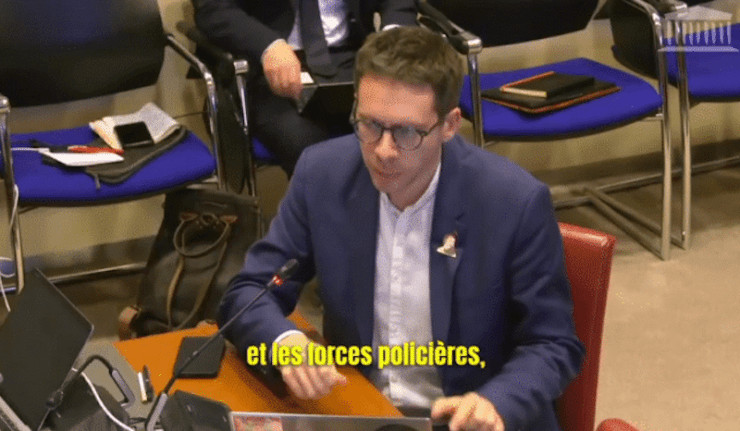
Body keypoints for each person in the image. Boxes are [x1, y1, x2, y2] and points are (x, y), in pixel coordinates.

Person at [219, 26, 584, 431]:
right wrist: (284, 343)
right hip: (362, 409)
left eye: (407, 132)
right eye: (369, 124)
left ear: (449, 125)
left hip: (466, 420)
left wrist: (495, 402)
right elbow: (248, 292)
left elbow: (553, 343)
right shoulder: (322, 174)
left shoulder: (513, 201)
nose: (383, 150)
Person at [193, 0, 417, 175]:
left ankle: (397, 217)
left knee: (408, 126)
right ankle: (330, 219)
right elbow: (213, 9)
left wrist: (394, 35)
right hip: (269, 67)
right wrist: (267, 45)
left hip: (351, 57)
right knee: (312, 151)